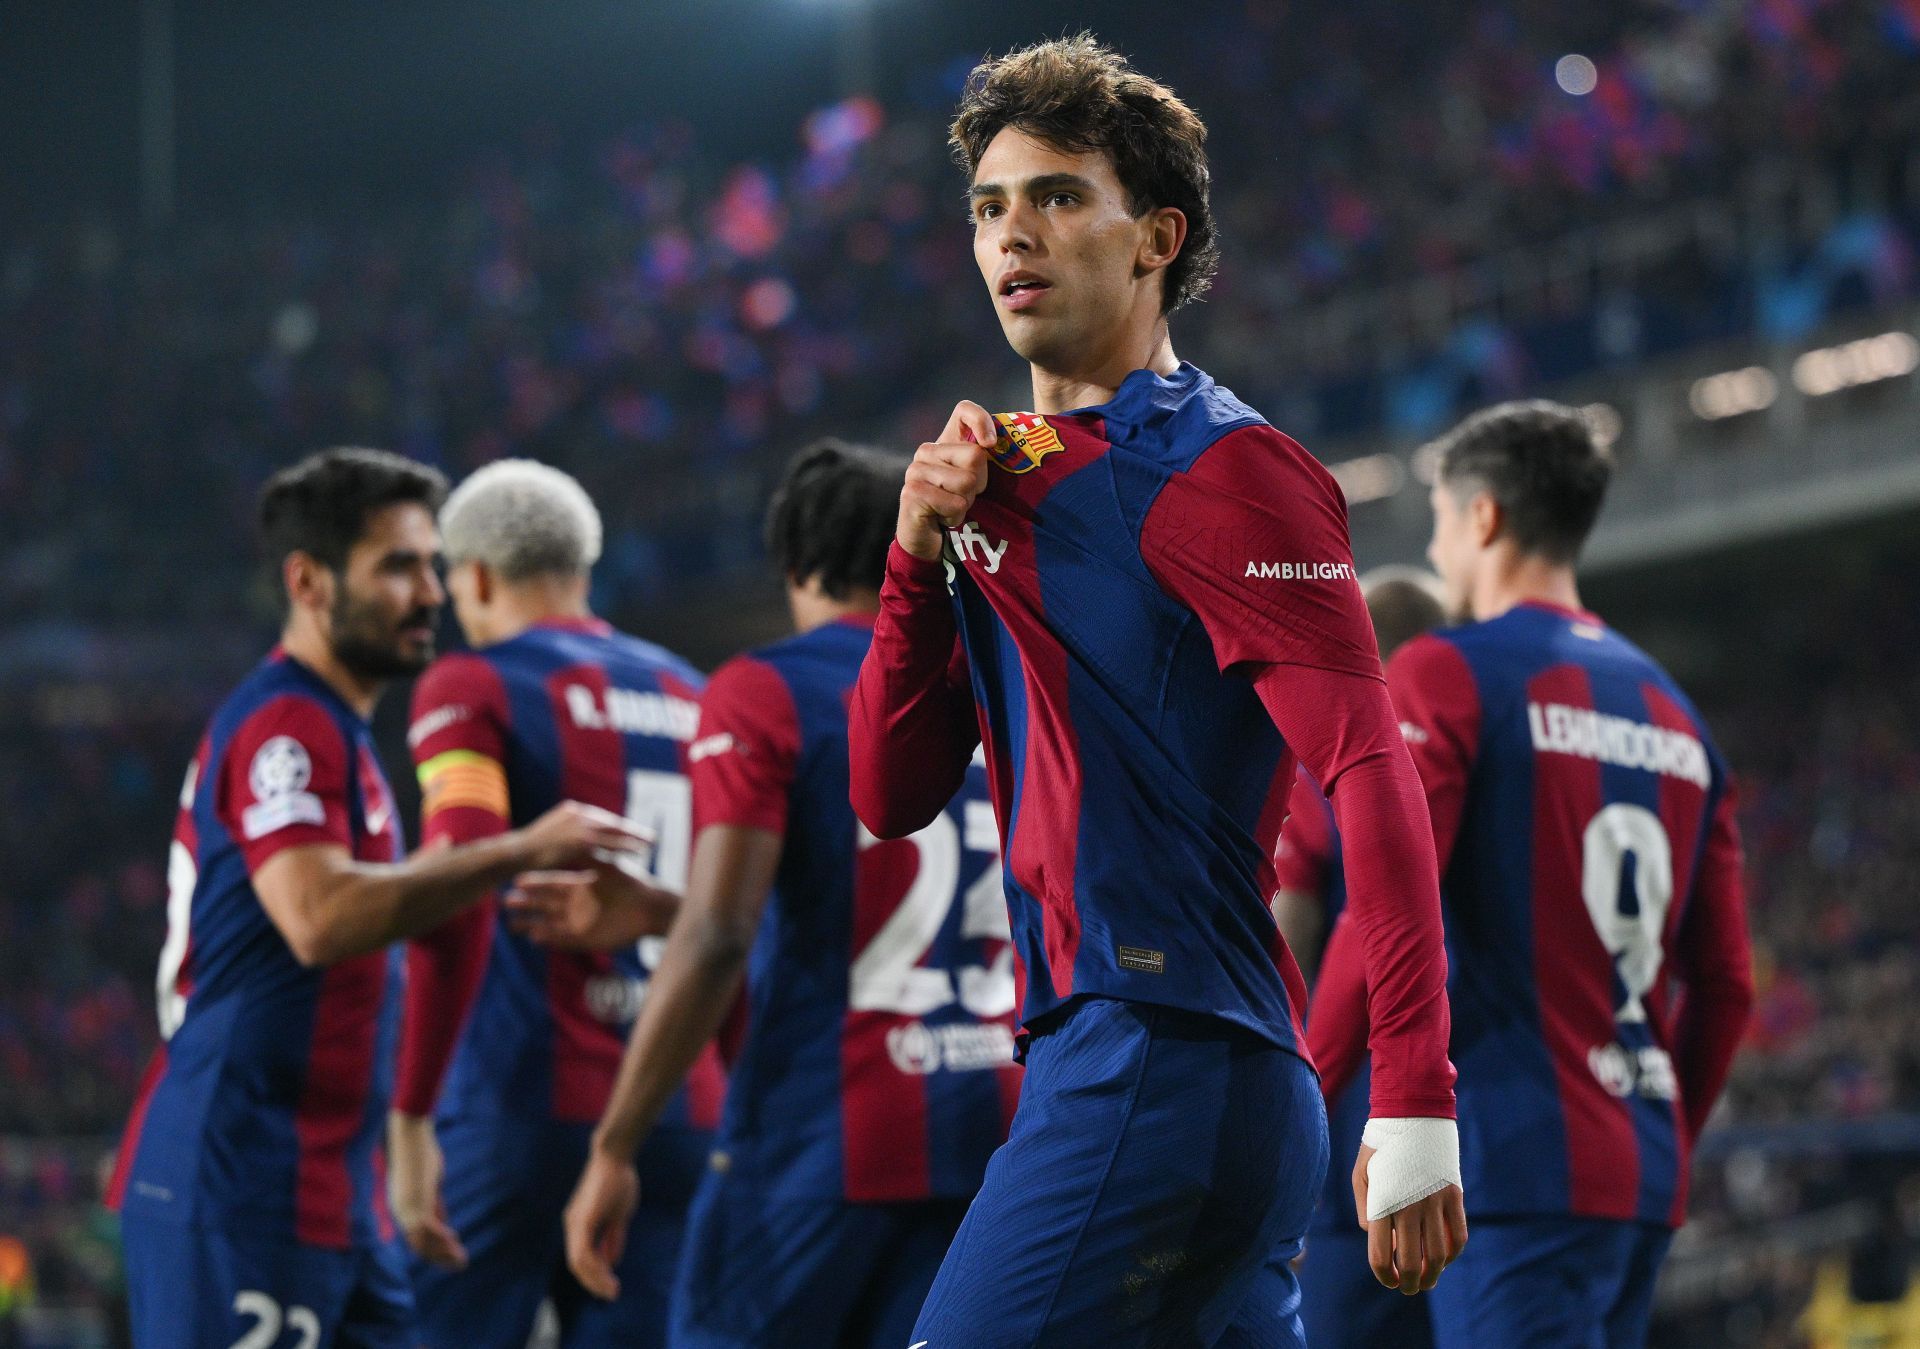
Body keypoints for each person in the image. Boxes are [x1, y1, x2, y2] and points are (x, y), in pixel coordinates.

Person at [845, 36, 1465, 1346]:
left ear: (1154, 239)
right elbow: (890, 790)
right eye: (990, 208)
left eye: (1060, 196)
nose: (1015, 233)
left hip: (1159, 1056)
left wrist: (1417, 1089)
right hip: (1159, 1066)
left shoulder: (1233, 472)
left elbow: (1371, 767)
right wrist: (911, 557)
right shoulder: (994, 478)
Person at [109, 448, 643, 1349]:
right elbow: (318, 918)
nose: (432, 591)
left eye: (433, 563)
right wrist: (521, 847)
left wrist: (404, 1136)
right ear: (309, 582)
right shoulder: (288, 722)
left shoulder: (342, 736)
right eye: (398, 566)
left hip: (330, 1188)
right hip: (237, 1179)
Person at [542, 441, 1021, 1348]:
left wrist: (614, 1145)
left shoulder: (765, 690)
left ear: (794, 561)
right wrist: (655, 909)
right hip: (989, 1121)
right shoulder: (989, 692)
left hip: (821, 1135)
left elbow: (722, 934)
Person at [1310, 401, 1755, 1348]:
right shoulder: (1679, 717)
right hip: (1635, 1177)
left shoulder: (1447, 672)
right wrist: (1665, 1140)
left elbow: (1388, 903)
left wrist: (1305, 1097)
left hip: (1512, 1164)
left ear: (1483, 517)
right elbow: (1725, 984)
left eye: (1437, 520)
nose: (1437, 550)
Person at [384, 459, 725, 1348]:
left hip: (520, 1101)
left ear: (478, 577)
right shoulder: (694, 694)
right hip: (678, 1107)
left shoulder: (471, 684)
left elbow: (454, 890)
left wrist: (413, 1112)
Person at [1287, 568, 1447, 1349]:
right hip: (1490, 1129)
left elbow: (1291, 934)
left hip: (1363, 1132)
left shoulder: (1335, 771)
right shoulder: (1494, 751)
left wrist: (1297, 1096)